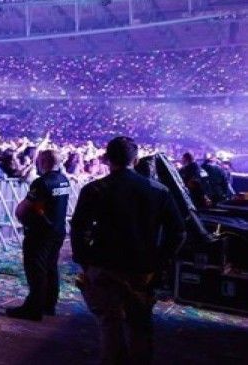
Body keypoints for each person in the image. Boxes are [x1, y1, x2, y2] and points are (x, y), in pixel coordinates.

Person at [71, 136, 186, 365]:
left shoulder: (95, 189)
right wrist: (160, 261)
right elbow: (178, 232)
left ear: (107, 159)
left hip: (104, 265)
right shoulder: (159, 190)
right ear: (136, 160)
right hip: (142, 268)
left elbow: (78, 228)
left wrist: (85, 262)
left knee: (109, 322)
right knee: (140, 323)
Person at [6, 149, 70, 321]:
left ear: (43, 162)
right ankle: (49, 304)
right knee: (50, 267)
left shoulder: (42, 182)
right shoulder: (64, 180)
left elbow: (31, 205)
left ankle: (34, 308)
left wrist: (21, 214)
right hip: (58, 229)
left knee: (36, 270)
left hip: (40, 231)